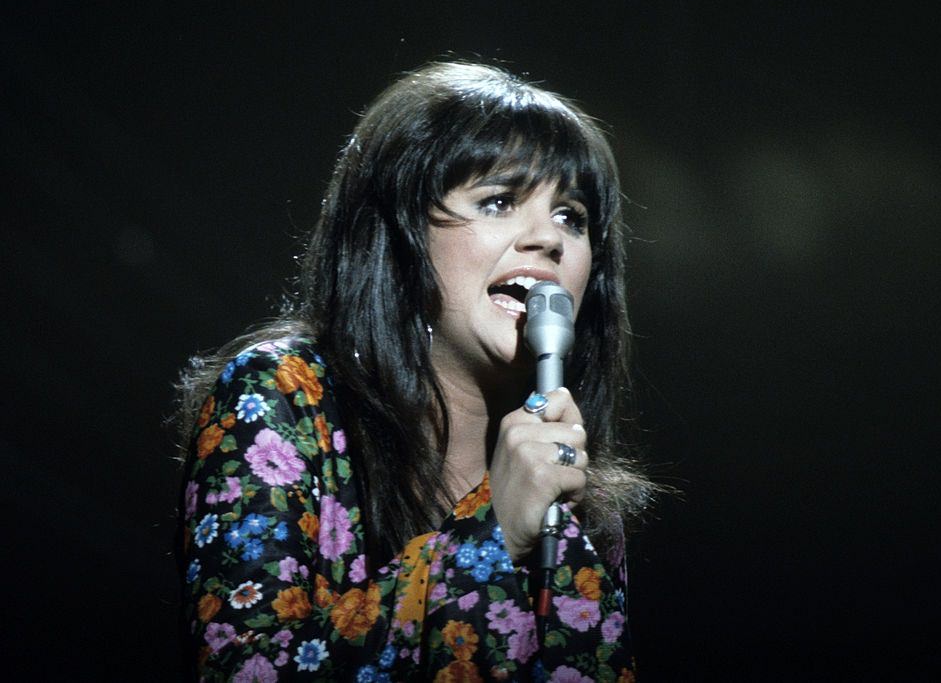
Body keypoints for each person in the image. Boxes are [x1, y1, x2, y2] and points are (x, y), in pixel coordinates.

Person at [177, 61, 654, 681]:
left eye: (572, 217)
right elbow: (240, 669)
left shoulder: (569, 477)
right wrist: (494, 534)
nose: (549, 239)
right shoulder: (279, 395)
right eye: (500, 200)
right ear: (401, 236)